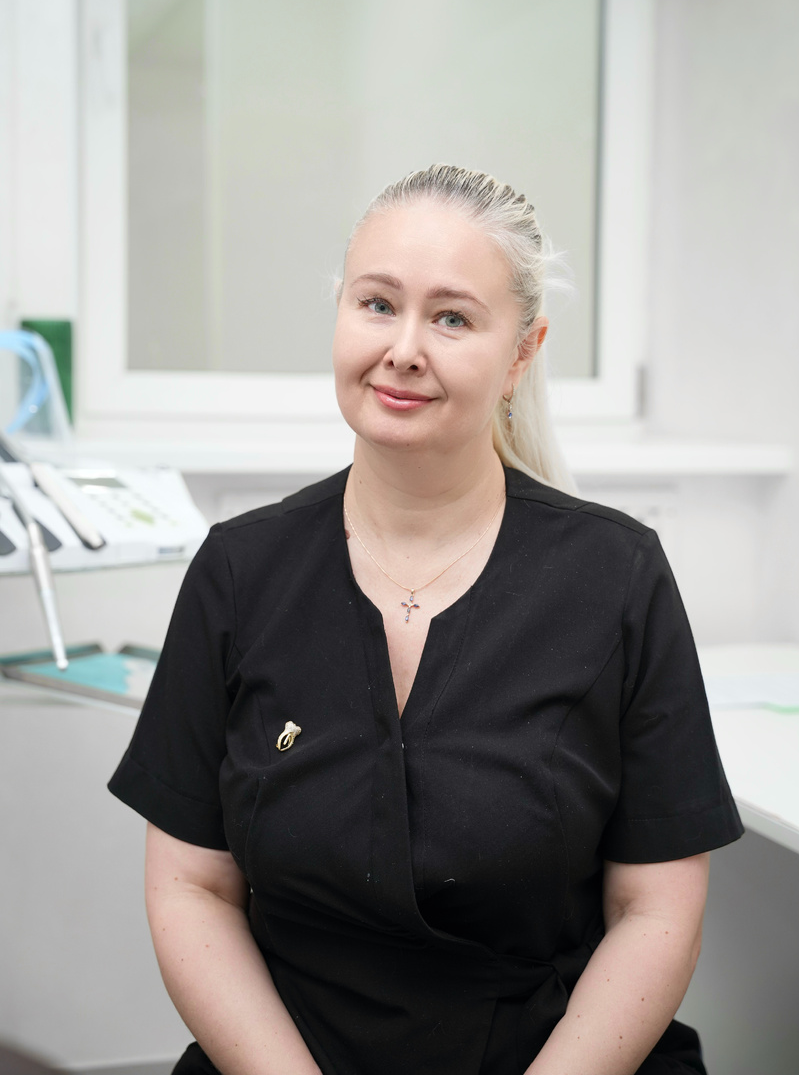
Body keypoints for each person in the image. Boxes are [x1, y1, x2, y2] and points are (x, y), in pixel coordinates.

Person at [109, 164, 743, 1075]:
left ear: (522, 352)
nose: (403, 348)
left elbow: (655, 910)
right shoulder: (240, 571)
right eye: (376, 304)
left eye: (451, 318)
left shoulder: (616, 577)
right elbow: (191, 888)